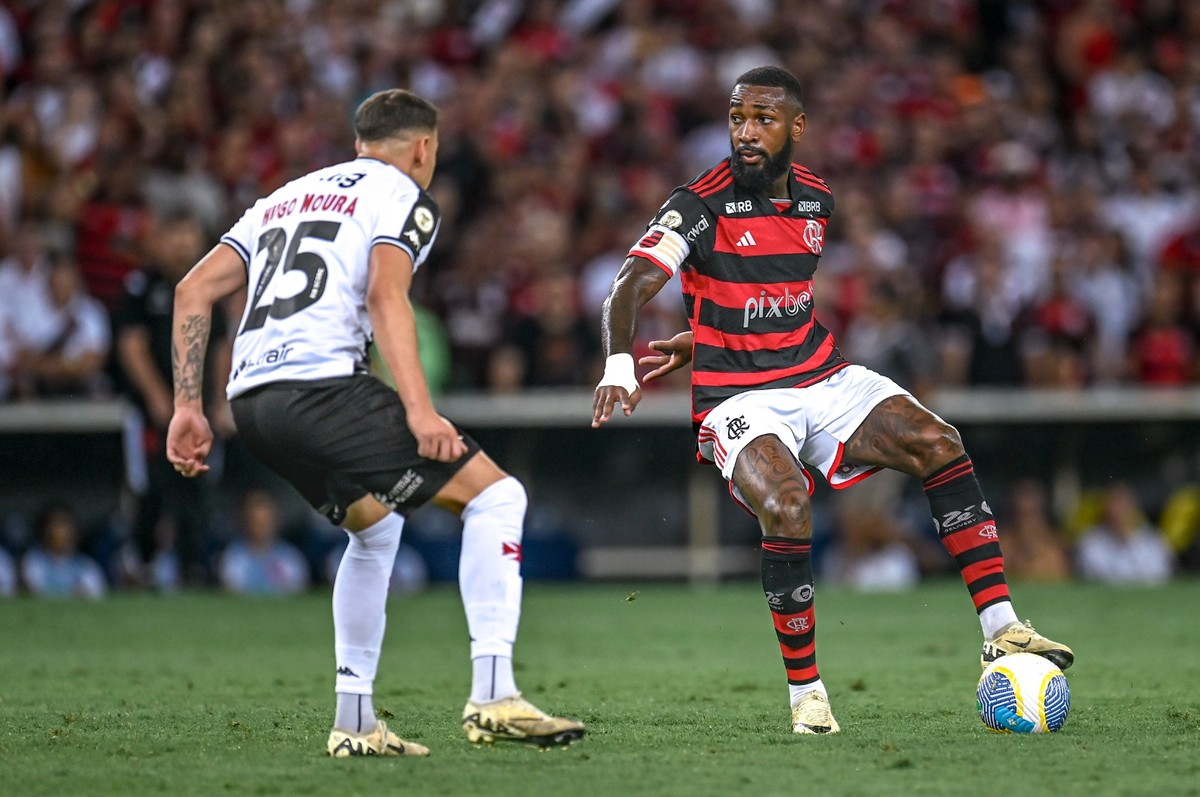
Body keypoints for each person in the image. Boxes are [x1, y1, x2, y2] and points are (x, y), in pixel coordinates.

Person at [592, 66, 1073, 736]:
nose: (746, 132)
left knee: (940, 441)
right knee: (788, 503)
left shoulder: (818, 202)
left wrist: (702, 334)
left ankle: (1003, 629)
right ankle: (807, 692)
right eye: (737, 118)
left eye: (762, 118)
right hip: (742, 399)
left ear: (797, 126)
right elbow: (630, 283)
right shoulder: (699, 202)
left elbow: (772, 299)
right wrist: (621, 361)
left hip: (820, 373)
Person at [165, 89, 584, 757]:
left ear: (359, 141)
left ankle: (355, 720)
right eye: (434, 153)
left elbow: (193, 289)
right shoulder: (400, 194)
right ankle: (494, 694)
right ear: (423, 148)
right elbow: (385, 294)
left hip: (254, 401)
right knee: (498, 497)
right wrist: (419, 409)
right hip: (323, 386)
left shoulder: (283, 197)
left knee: (377, 527)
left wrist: (187, 404)